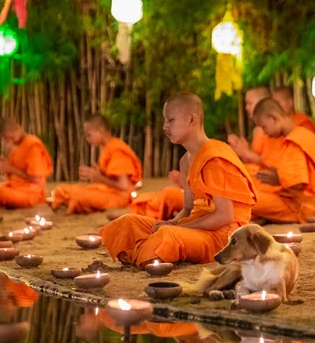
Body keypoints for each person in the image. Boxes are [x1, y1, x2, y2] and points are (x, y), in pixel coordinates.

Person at [99, 93, 257, 266]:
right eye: (165, 121)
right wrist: (173, 222)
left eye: (171, 120)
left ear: (191, 119)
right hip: (197, 227)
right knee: (127, 222)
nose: (165, 127)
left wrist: (178, 228)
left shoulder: (215, 158)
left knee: (167, 235)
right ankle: (148, 252)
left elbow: (224, 216)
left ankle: (147, 252)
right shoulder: (185, 161)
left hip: (223, 236)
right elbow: (189, 208)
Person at [250, 98, 315, 223]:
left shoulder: (294, 141)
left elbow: (298, 183)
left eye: (264, 127)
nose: (265, 133)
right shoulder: (301, 134)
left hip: (301, 206)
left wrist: (278, 179)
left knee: (247, 199)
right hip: (303, 201)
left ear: (274, 118)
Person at [50, 114, 142, 214]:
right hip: (109, 192)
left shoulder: (116, 149)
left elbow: (124, 186)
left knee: (78, 195)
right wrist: (99, 175)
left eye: (89, 135)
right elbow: (111, 178)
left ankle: (67, 203)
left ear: (100, 131)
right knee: (61, 190)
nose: (87, 139)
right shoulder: (107, 147)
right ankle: (66, 202)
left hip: (120, 197)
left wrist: (99, 178)